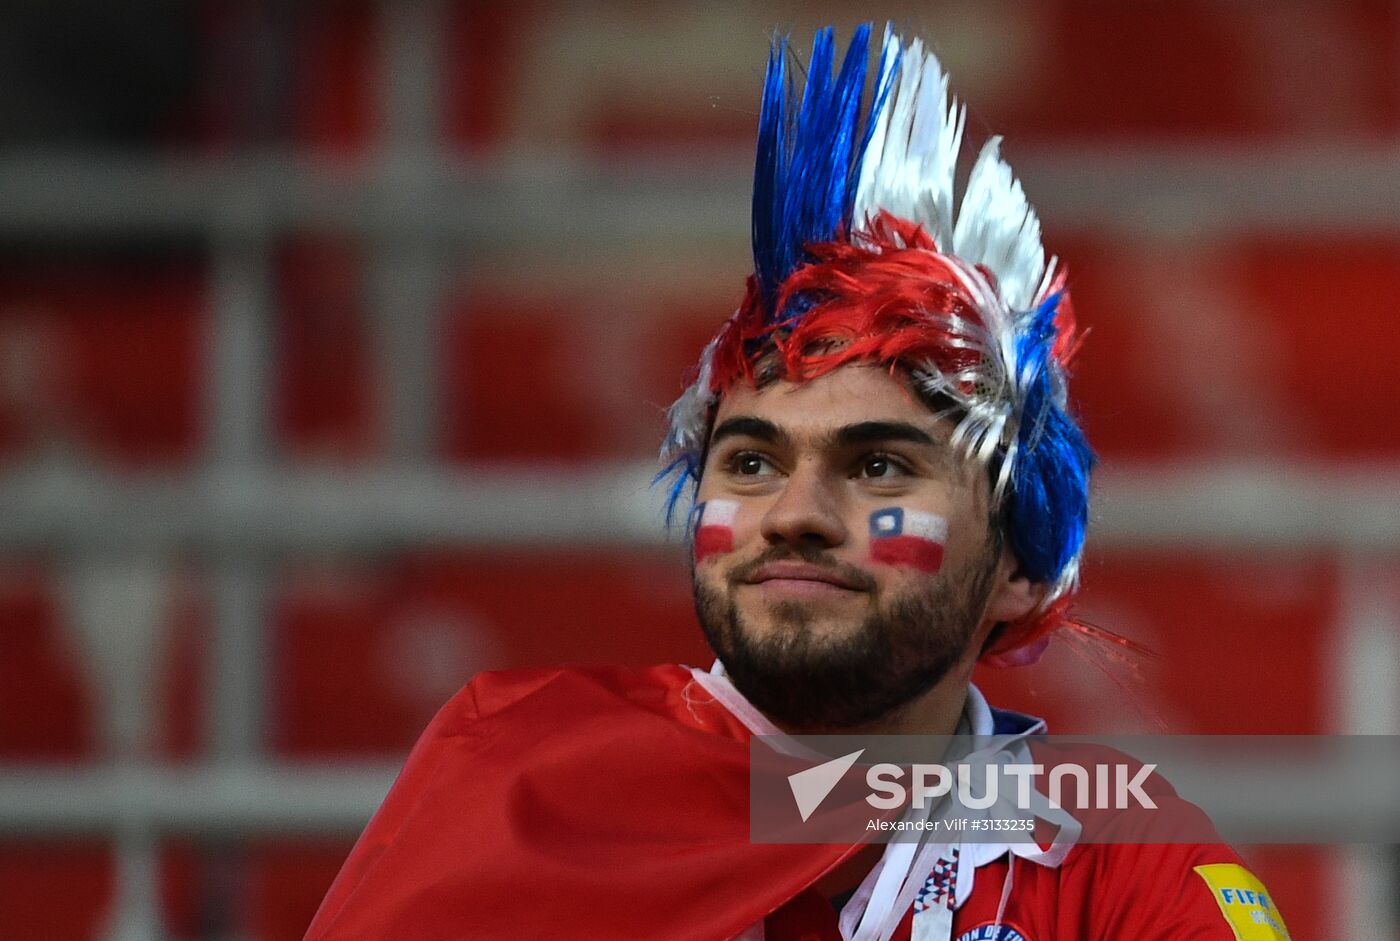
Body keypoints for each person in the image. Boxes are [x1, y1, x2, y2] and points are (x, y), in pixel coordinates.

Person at [305, 24, 1290, 941]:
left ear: (1020, 569)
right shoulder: (524, 782)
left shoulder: (1111, 852)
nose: (795, 515)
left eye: (874, 466)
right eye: (749, 462)